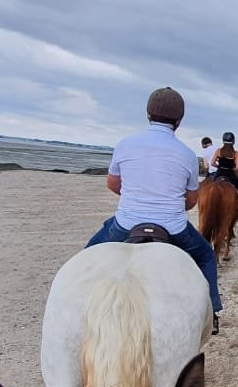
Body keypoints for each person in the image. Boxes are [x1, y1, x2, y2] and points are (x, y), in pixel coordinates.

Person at [85, 87, 223, 333]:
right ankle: (212, 311)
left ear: (147, 114)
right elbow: (191, 200)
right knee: (205, 256)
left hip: (126, 224)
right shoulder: (187, 154)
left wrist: (135, 196)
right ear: (179, 121)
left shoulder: (125, 143)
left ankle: (83, 305)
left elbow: (112, 184)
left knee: (85, 258)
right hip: (173, 228)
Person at [210, 132, 238, 197]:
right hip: (230, 173)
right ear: (233, 141)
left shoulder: (218, 150)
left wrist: (219, 166)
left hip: (219, 172)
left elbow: (212, 163)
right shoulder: (235, 153)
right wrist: (232, 168)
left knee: (211, 183)